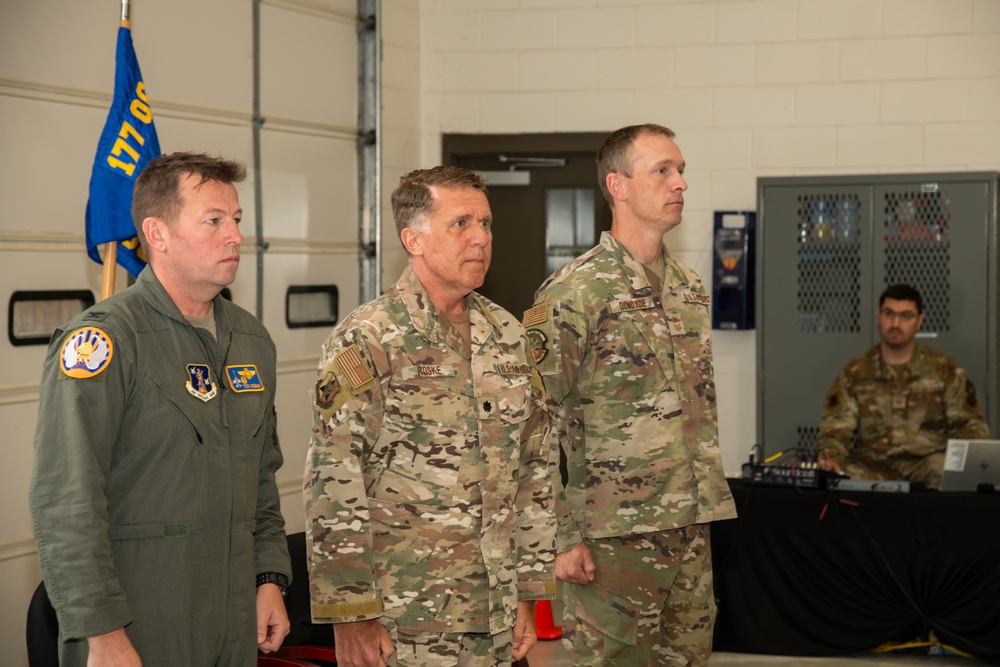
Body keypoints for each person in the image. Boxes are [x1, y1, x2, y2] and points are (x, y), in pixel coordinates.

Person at [29, 152, 292, 666]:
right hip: (138, 622)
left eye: (237, 219)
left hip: (233, 619)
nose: (236, 236)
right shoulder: (106, 340)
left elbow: (261, 477)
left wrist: (268, 579)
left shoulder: (251, 339)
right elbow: (66, 498)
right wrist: (102, 632)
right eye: (214, 221)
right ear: (158, 233)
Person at [304, 165, 556, 667]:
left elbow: (534, 469)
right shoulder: (370, 337)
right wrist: (351, 614)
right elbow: (333, 478)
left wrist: (530, 590)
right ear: (413, 239)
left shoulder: (507, 334)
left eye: (485, 223)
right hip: (404, 619)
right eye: (461, 223)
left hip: (496, 611)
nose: (480, 238)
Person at [523, 124, 736, 666]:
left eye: (681, 170)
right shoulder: (575, 290)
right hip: (612, 538)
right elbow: (531, 422)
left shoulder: (688, 288)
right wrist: (559, 536)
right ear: (618, 186)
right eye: (662, 170)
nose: (680, 182)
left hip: (690, 525)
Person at [816, 284, 989, 488]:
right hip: (872, 466)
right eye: (889, 314)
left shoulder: (945, 370)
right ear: (878, 317)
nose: (895, 323)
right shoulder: (856, 372)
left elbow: (969, 428)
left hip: (927, 464)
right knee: (845, 478)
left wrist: (964, 467)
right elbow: (836, 428)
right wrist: (831, 459)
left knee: (943, 471)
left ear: (919, 321)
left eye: (906, 316)